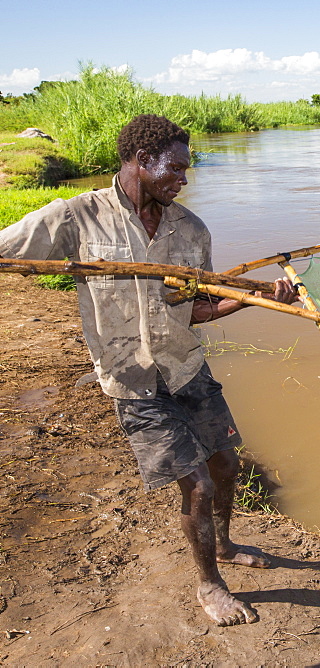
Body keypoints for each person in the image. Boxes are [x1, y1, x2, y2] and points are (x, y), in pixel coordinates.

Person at [0, 114, 298, 626]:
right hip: (132, 379)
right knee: (198, 484)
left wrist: (259, 301)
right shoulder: (76, 216)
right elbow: (5, 253)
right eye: (176, 169)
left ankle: (223, 544)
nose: (184, 180)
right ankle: (209, 585)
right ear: (141, 161)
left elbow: (197, 309)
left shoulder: (190, 230)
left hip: (185, 367)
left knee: (227, 467)